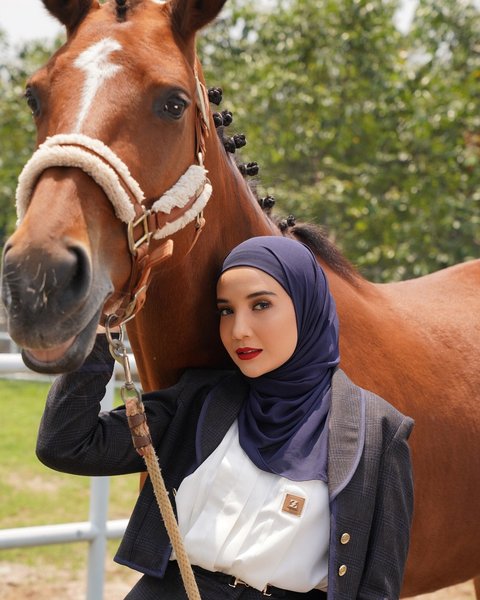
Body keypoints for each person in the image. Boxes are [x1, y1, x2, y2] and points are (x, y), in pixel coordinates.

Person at [36, 236, 414, 600]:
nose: (239, 330)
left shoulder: (377, 432)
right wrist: (99, 331)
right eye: (226, 310)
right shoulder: (200, 400)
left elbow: (377, 586)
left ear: (307, 305)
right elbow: (66, 444)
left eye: (261, 305)